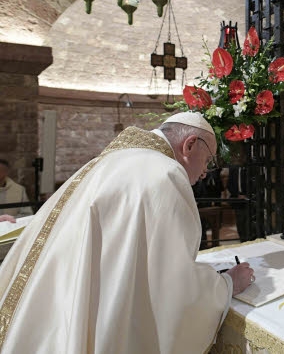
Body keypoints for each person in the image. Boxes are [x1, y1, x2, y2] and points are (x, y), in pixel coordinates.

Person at [0, 112, 255, 353]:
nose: (204, 172)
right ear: (189, 145)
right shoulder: (165, 173)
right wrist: (228, 283)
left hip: (54, 310)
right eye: (208, 160)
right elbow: (172, 284)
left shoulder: (112, 160)